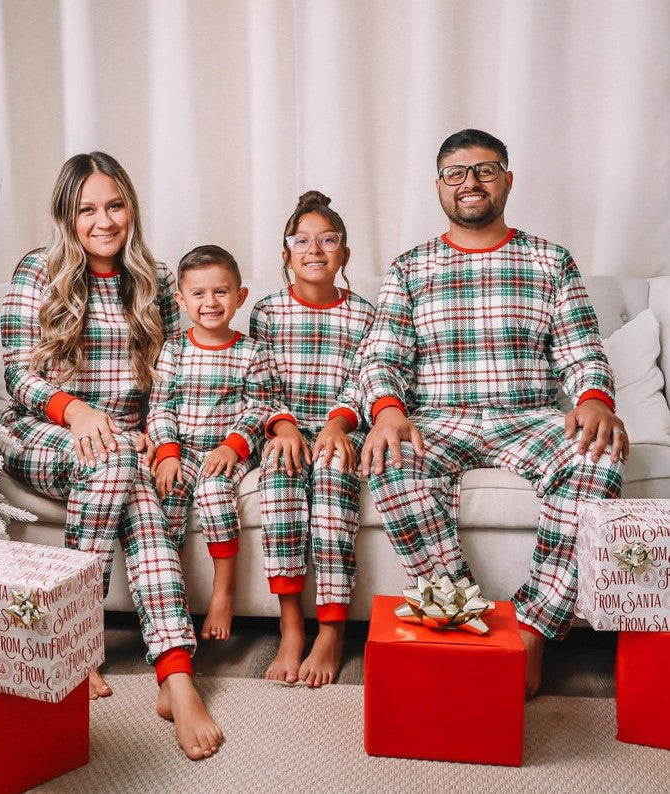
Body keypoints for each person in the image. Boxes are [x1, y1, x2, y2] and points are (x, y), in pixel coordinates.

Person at [358, 129, 628, 697]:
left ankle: (532, 630)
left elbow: (580, 349)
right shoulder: (410, 267)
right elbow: (383, 357)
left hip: (526, 416)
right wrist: (386, 410)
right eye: (456, 173)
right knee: (388, 460)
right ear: (439, 187)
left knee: (598, 459)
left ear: (508, 178)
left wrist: (594, 399)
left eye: (485, 169)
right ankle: (463, 614)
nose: (471, 182)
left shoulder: (550, 259)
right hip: (437, 420)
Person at [0, 152, 223, 759]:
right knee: (113, 460)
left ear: (132, 209)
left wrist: (156, 431)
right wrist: (75, 411)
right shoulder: (36, 272)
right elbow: (19, 377)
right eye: (88, 209)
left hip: (121, 445)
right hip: (41, 431)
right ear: (67, 216)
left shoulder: (150, 275)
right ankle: (84, 641)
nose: (104, 220)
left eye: (115, 205)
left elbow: (172, 378)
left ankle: (175, 676)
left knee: (137, 488)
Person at [250, 191, 375, 687]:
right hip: (286, 427)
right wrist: (281, 426)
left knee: (331, 468)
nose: (315, 250)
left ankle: (332, 626)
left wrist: (337, 425)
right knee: (279, 473)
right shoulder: (267, 312)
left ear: (344, 253)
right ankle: (291, 626)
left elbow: (366, 381)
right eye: (301, 240)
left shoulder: (364, 315)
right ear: (285, 254)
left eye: (328, 240)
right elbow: (261, 382)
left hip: (341, 427)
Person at [147, 245, 276, 641]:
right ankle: (173, 595)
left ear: (240, 297)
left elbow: (260, 407)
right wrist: (167, 454)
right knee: (165, 495)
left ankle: (224, 590)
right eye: (199, 294)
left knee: (214, 492)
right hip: (183, 450)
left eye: (221, 292)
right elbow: (160, 408)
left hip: (226, 453)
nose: (210, 302)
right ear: (182, 300)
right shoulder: (174, 351)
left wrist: (233, 446)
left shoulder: (252, 351)